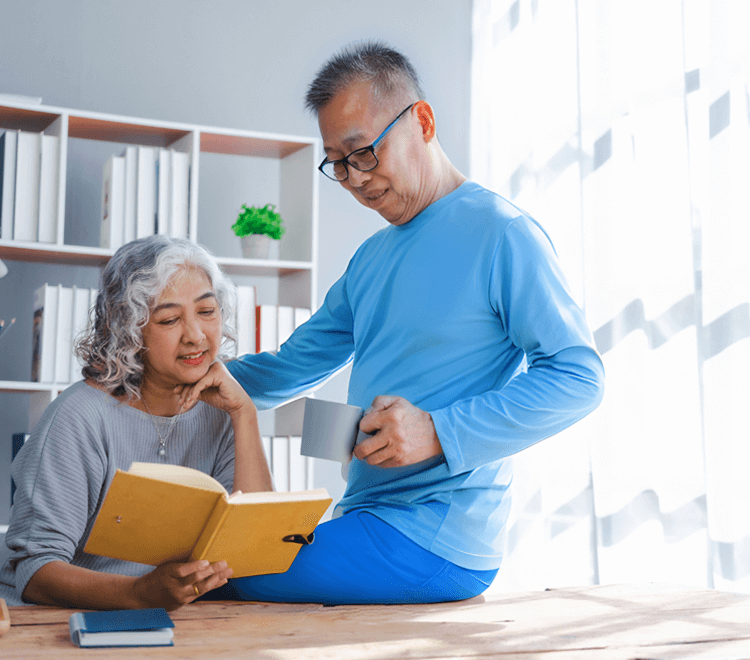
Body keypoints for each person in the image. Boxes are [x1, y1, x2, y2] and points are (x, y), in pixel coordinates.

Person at [205, 40, 605, 605]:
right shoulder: (369, 260)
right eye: (337, 164)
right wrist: (182, 380)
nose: (355, 178)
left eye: (363, 152)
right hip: (365, 518)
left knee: (219, 569)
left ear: (422, 121)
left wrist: (439, 431)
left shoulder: (502, 234)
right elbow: (289, 369)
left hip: (435, 537)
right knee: (200, 554)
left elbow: (579, 377)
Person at [0, 235, 272, 610]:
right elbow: (32, 570)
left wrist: (245, 414)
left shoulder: (221, 413)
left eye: (207, 312)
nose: (195, 335)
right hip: (61, 624)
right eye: (169, 319)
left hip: (179, 627)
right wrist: (139, 594)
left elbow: (256, 549)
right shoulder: (79, 416)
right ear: (129, 330)